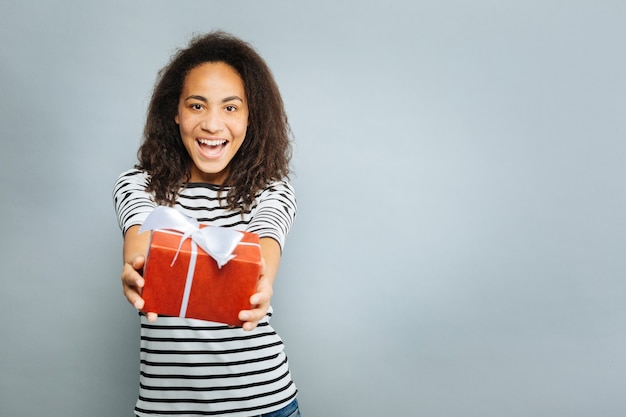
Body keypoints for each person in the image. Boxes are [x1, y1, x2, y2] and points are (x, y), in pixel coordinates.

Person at [113, 31, 300, 417]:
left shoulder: (271, 191)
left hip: (263, 405)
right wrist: (136, 266)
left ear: (251, 117)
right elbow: (138, 237)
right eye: (197, 106)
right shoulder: (140, 184)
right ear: (175, 112)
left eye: (230, 108)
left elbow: (267, 240)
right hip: (166, 410)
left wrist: (262, 281)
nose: (213, 125)